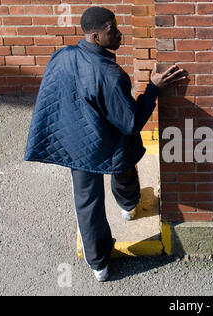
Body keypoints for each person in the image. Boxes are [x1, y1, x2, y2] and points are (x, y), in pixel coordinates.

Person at [24, 6, 188, 282]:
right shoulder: (109, 76)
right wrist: (153, 88)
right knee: (124, 157)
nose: (119, 33)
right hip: (104, 141)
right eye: (112, 29)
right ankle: (128, 206)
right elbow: (131, 123)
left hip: (74, 141)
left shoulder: (62, 55)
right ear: (95, 36)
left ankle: (99, 264)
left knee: (86, 200)